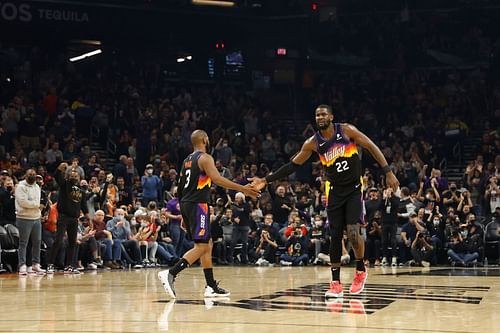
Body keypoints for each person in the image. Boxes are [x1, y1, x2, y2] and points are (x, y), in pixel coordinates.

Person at [249, 105, 399, 298]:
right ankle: (335, 283)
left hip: (353, 188)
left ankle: (360, 269)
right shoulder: (312, 143)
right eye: (317, 115)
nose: (320, 117)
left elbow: (371, 146)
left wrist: (388, 172)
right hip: (334, 191)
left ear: (331, 116)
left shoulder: (346, 130)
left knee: (353, 232)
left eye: (323, 114)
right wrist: (265, 180)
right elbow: (291, 166)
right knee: (335, 235)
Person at [158, 129, 259, 298]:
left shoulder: (187, 161)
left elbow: (181, 189)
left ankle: (211, 286)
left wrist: (184, 214)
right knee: (202, 246)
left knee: (208, 243)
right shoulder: (205, 158)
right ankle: (171, 273)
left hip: (187, 204)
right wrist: (243, 189)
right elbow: (217, 179)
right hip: (198, 205)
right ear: (205, 139)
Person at [46, 162, 88, 274]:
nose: (74, 177)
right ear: (68, 177)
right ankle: (50, 264)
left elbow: (83, 205)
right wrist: (60, 169)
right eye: (72, 176)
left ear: (80, 178)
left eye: (76, 176)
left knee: (72, 242)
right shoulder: (65, 185)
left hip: (74, 219)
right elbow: (56, 176)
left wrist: (88, 217)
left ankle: (69, 265)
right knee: (58, 241)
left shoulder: (81, 191)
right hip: (63, 217)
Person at [15, 169, 44, 275]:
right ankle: (22, 265)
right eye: (29, 174)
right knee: (23, 243)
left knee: (37, 242)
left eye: (33, 174)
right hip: (23, 218)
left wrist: (34, 204)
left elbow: (37, 200)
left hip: (36, 218)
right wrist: (36, 205)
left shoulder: (37, 187)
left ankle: (35, 264)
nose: (32, 176)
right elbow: (23, 202)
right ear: (25, 176)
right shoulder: (20, 187)